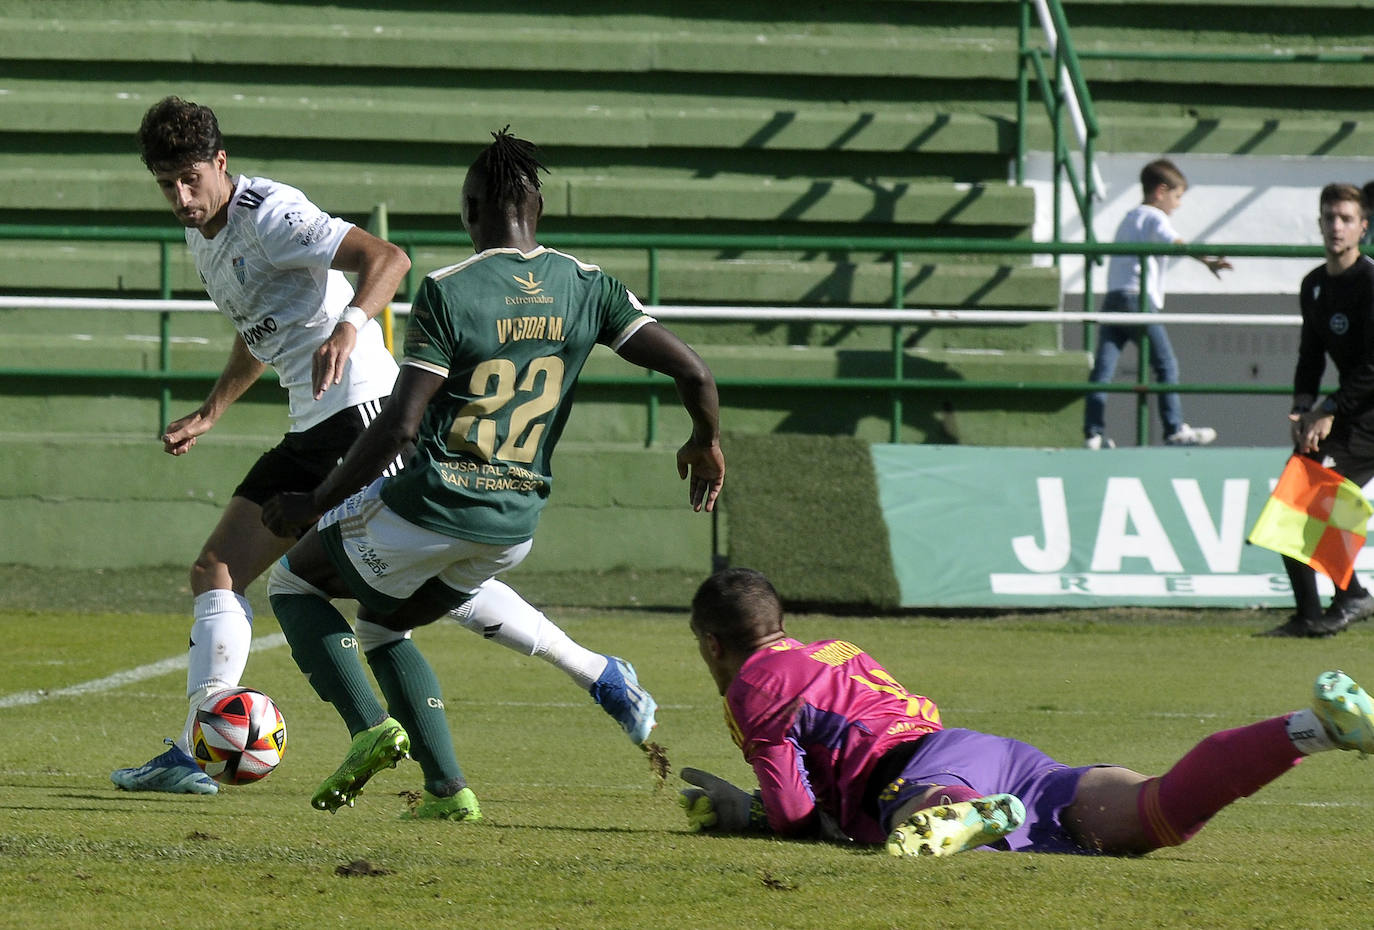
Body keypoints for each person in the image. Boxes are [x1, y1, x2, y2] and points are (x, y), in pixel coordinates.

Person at [111, 97, 660, 801]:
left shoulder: (271, 213)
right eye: (167, 184)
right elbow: (261, 329)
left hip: (363, 414)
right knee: (219, 569)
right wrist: (213, 411)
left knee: (404, 592)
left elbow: (387, 258)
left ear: (221, 163)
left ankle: (587, 677)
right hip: (316, 423)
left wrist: (349, 323)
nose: (182, 198)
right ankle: (201, 741)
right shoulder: (205, 236)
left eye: (191, 178)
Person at [260, 127, 724, 818]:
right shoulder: (589, 286)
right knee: (385, 627)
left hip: (435, 501)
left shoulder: (451, 290)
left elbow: (400, 424)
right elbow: (693, 369)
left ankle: (370, 729)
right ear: (536, 208)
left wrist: (318, 498)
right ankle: (447, 793)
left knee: (292, 581)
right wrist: (705, 440)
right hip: (513, 525)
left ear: (471, 209)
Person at [677, 567, 1374, 857]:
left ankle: (957, 811)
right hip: (992, 755)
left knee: (914, 811)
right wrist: (751, 808)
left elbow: (800, 816)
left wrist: (762, 816)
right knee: (1153, 815)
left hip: (922, 773)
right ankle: (1310, 729)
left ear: (713, 645)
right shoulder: (836, 649)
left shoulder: (753, 686)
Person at [1264, 183, 1374, 638]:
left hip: (1369, 413)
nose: (1336, 226)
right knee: (1294, 492)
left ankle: (1352, 597)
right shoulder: (1313, 286)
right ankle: (1308, 614)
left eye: (1346, 218)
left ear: (1362, 228)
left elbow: (1372, 364)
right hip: (1349, 408)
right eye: (1329, 217)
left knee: (1318, 500)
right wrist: (1302, 407)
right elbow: (1310, 355)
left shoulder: (1371, 283)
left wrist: (1329, 408)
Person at [1083, 158, 1231, 450]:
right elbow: (1175, 243)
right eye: (1177, 197)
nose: (1178, 205)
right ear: (1161, 191)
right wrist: (1207, 261)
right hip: (1137, 300)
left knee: (1103, 369)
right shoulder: (1154, 217)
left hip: (1113, 299)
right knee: (1165, 365)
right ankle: (1174, 428)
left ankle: (1093, 432)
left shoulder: (1129, 217)